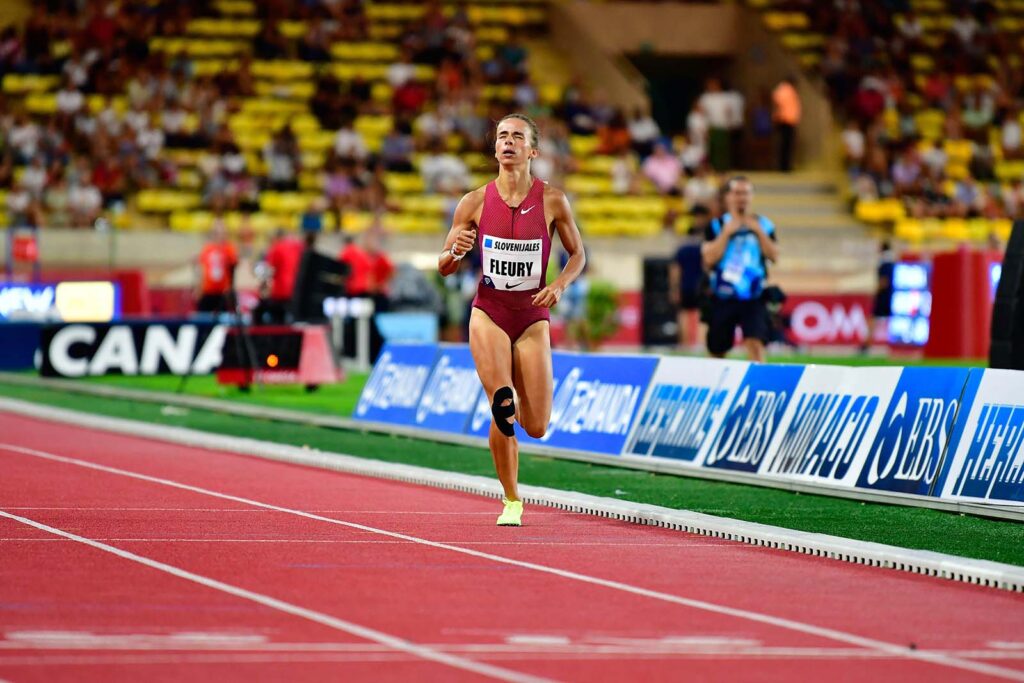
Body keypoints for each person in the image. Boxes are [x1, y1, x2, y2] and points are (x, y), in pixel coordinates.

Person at [438, 113, 586, 527]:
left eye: (516, 137)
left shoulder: (553, 200)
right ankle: (511, 498)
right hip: (489, 311)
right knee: (502, 405)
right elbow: (443, 265)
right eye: (502, 136)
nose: (507, 142)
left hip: (533, 316)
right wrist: (455, 252)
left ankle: (516, 408)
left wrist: (558, 285)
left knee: (536, 425)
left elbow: (578, 255)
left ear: (532, 150)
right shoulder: (473, 201)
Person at [701, 176, 779, 362]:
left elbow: (774, 256)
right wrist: (727, 233)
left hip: (753, 295)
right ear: (728, 197)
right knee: (717, 349)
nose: (741, 198)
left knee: (755, 344)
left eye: (745, 193)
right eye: (737, 193)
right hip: (723, 294)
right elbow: (709, 259)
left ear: (752, 196)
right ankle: (717, 386)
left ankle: (759, 386)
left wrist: (758, 232)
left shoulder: (765, 225)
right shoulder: (717, 225)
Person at [669, 209, 709, 350]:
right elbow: (707, 266)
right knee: (700, 316)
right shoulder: (704, 248)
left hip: (685, 285)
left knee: (684, 315)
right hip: (700, 285)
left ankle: (684, 344)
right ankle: (700, 344)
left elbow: (675, 270)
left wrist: (674, 288)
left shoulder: (682, 249)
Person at [253, 228, 305, 325]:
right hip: (297, 290)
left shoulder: (277, 248)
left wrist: (261, 287)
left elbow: (269, 271)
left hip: (281, 291)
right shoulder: (299, 247)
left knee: (269, 316)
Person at [195, 224, 239, 315]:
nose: (220, 235)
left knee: (224, 320)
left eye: (223, 233)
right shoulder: (207, 249)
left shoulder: (229, 249)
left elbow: (232, 269)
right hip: (207, 291)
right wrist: (199, 288)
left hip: (223, 293)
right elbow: (202, 269)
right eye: (217, 233)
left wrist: (231, 288)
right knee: (203, 320)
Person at [863, 240, 896, 353]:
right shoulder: (892, 261)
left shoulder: (884, 263)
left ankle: (867, 344)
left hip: (884, 296)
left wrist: (876, 292)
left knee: (873, 319)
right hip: (892, 295)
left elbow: (884, 281)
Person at [772, 77, 801, 172]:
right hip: (786, 120)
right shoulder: (785, 89)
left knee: (786, 145)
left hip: (787, 119)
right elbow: (778, 102)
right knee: (786, 145)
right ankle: (784, 166)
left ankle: (785, 165)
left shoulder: (784, 89)